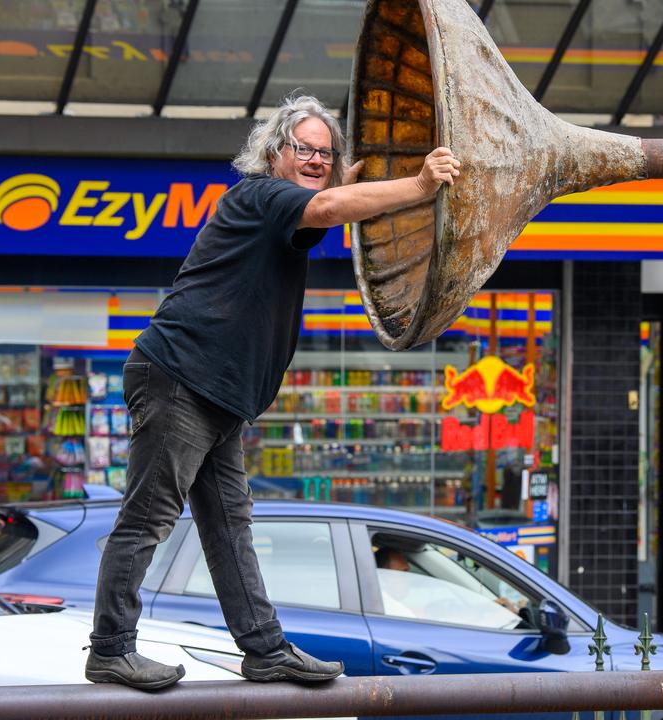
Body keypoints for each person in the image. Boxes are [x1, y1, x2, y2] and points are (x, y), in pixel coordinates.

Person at [85, 93, 461, 691]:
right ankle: (109, 649)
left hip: (216, 395)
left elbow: (334, 201)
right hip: (181, 378)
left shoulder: (289, 209)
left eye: (325, 152)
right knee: (148, 517)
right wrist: (418, 184)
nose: (314, 159)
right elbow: (332, 206)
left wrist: (348, 180)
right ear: (273, 153)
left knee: (230, 527)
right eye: (303, 149)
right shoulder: (261, 195)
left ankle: (264, 650)